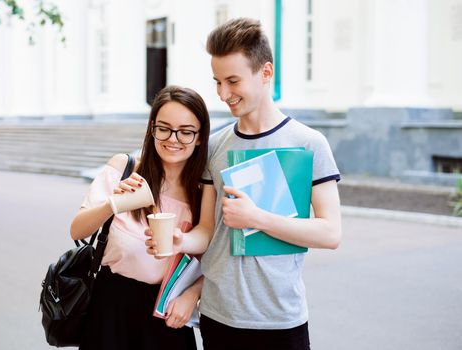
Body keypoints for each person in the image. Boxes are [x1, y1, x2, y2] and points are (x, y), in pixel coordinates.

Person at [145, 18, 342, 349]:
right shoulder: (216, 146)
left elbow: (331, 233)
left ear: (265, 73)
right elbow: (208, 231)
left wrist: (257, 219)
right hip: (219, 318)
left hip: (281, 318)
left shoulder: (309, 143)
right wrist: (181, 241)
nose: (223, 94)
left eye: (233, 81)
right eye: (217, 82)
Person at [70, 85, 210, 350]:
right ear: (152, 128)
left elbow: (215, 257)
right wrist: (114, 204)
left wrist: (193, 294)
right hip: (111, 307)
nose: (173, 139)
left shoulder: (203, 193)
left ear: (200, 137)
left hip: (167, 310)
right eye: (164, 128)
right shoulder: (125, 168)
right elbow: (77, 230)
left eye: (186, 131)